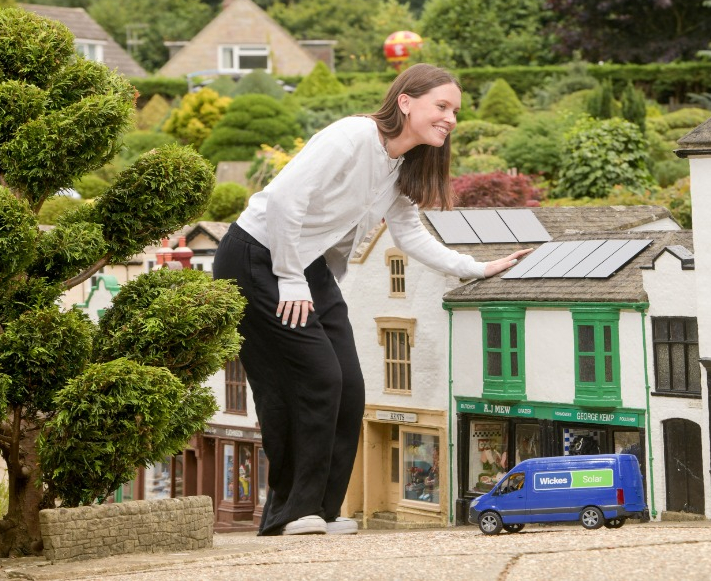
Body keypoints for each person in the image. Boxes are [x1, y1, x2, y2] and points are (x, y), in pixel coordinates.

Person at [212, 64, 531, 536]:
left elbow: (410, 236)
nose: (451, 119)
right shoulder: (353, 137)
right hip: (258, 257)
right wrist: (290, 277)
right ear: (406, 102)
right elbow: (282, 201)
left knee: (350, 388)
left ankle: (320, 510)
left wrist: (476, 268)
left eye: (455, 111)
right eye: (442, 106)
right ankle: (292, 513)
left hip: (308, 265)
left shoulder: (402, 167)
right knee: (316, 379)